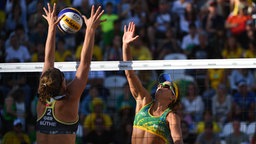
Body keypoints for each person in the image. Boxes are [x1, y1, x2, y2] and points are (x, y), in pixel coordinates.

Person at [36, 3, 104, 144]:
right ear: (62, 85)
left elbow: (48, 60)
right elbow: (84, 63)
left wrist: (51, 27)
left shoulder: (42, 100)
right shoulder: (70, 99)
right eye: (64, 78)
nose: (66, 79)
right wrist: (90, 30)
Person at [122, 22, 183, 144]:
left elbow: (178, 140)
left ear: (172, 97)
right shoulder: (144, 102)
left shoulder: (170, 116)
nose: (160, 85)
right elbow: (130, 74)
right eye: (160, 84)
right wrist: (125, 46)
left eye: (165, 86)